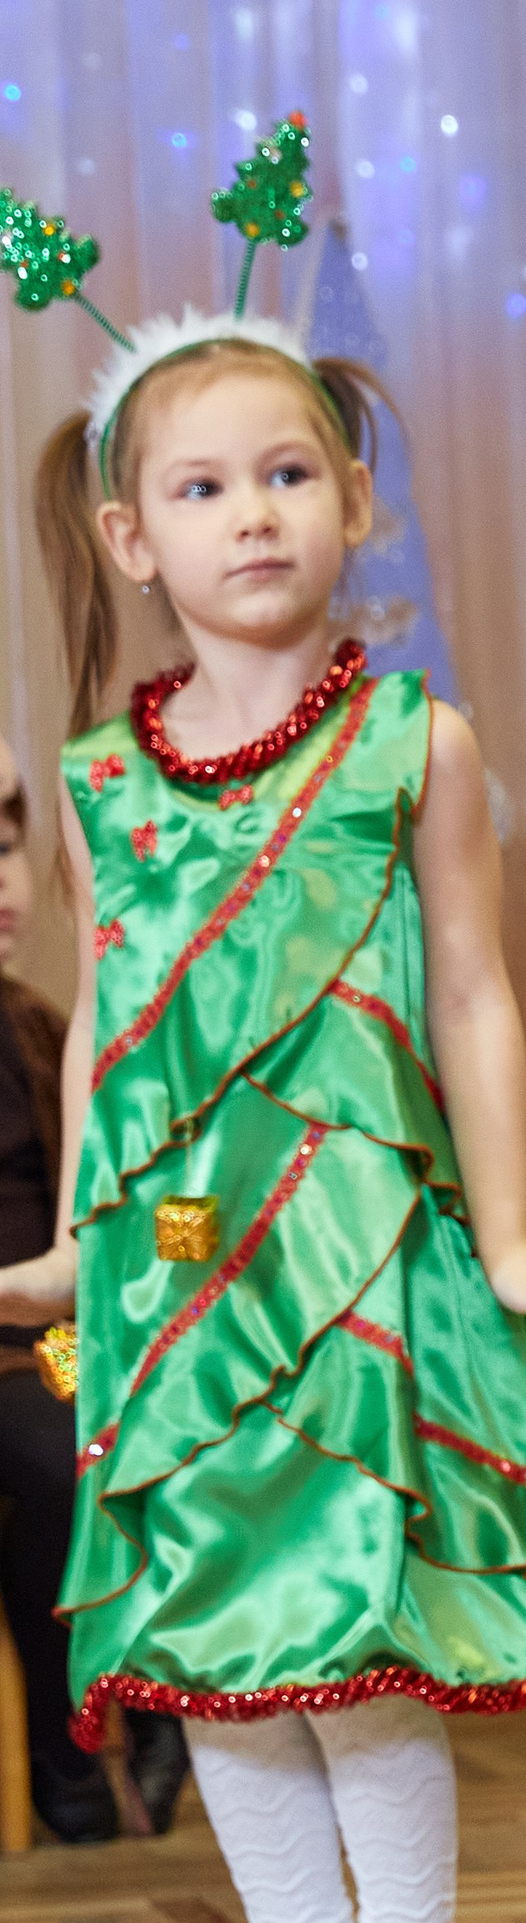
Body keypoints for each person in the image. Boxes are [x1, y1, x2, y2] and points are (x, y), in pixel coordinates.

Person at [0, 207, 526, 1923]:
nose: (254, 515)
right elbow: (114, 1025)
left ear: (356, 498)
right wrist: (72, 1251)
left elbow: (471, 995)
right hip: (175, 1278)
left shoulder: (414, 743)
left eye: (290, 473)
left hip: (357, 1256)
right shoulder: (97, 782)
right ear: (131, 535)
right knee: (223, 1645)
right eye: (205, 485)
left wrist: (514, 1239)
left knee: (354, 1636)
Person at [0, 751, 187, 1843]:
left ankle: (142, 1713)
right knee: (60, 1442)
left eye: (12, 847)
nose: (6, 881)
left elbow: (148, 1205)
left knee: (111, 1424)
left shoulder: (42, 1026)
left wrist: (193, 1242)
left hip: (57, 1340)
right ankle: (114, 1733)